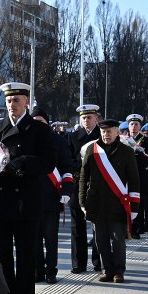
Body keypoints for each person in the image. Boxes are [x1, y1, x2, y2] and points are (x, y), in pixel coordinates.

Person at [0, 82, 55, 294]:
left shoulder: (39, 130)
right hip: (2, 201)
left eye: (16, 100)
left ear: (27, 102)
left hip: (26, 201)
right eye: (8, 101)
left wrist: (23, 162)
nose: (11, 105)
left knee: (26, 257)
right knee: (1, 255)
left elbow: (48, 163)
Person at [78, 119, 140, 284]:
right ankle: (107, 270)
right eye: (103, 131)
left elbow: (134, 180)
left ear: (117, 132)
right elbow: (84, 177)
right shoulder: (92, 149)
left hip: (118, 203)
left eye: (109, 131)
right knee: (100, 240)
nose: (106, 134)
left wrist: (134, 206)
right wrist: (82, 201)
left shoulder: (126, 152)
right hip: (96, 203)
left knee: (118, 239)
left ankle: (119, 271)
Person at [32, 106, 72, 284]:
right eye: (34, 122)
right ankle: (37, 271)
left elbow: (67, 168)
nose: (37, 125)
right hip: (31, 197)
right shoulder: (28, 140)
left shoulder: (58, 140)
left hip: (51, 197)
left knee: (50, 239)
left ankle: (51, 272)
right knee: (34, 240)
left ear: (47, 122)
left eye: (40, 121)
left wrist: (66, 190)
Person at [67, 104, 102, 273]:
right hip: (78, 186)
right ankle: (78, 263)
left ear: (96, 118)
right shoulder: (73, 137)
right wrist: (82, 167)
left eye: (89, 117)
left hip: (97, 186)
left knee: (98, 226)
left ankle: (98, 261)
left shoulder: (102, 136)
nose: (86, 121)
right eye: (83, 118)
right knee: (77, 227)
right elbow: (67, 159)